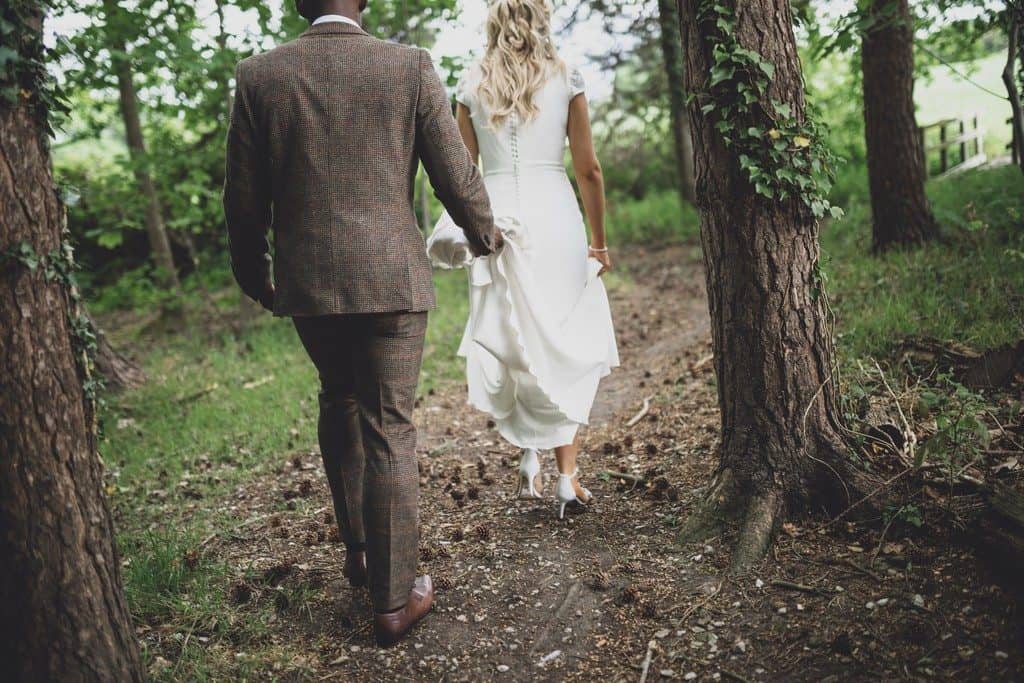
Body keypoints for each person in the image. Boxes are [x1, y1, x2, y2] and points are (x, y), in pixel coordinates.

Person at [222, 0, 501, 647]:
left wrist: (254, 276)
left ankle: (361, 553)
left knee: (338, 396)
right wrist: (486, 235)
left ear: (299, 4)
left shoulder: (260, 76)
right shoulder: (407, 66)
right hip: (391, 282)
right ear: (365, 3)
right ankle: (394, 601)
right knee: (389, 426)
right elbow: (455, 172)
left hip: (309, 287)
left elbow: (242, 201)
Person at [445, 0, 619, 519]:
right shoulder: (567, 78)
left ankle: (528, 457)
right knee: (561, 337)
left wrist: (473, 230)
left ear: (495, 25)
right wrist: (600, 241)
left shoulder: (471, 84)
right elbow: (587, 169)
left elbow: (462, 172)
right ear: (540, 22)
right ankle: (566, 477)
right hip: (555, 217)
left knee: (516, 334)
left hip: (495, 217)